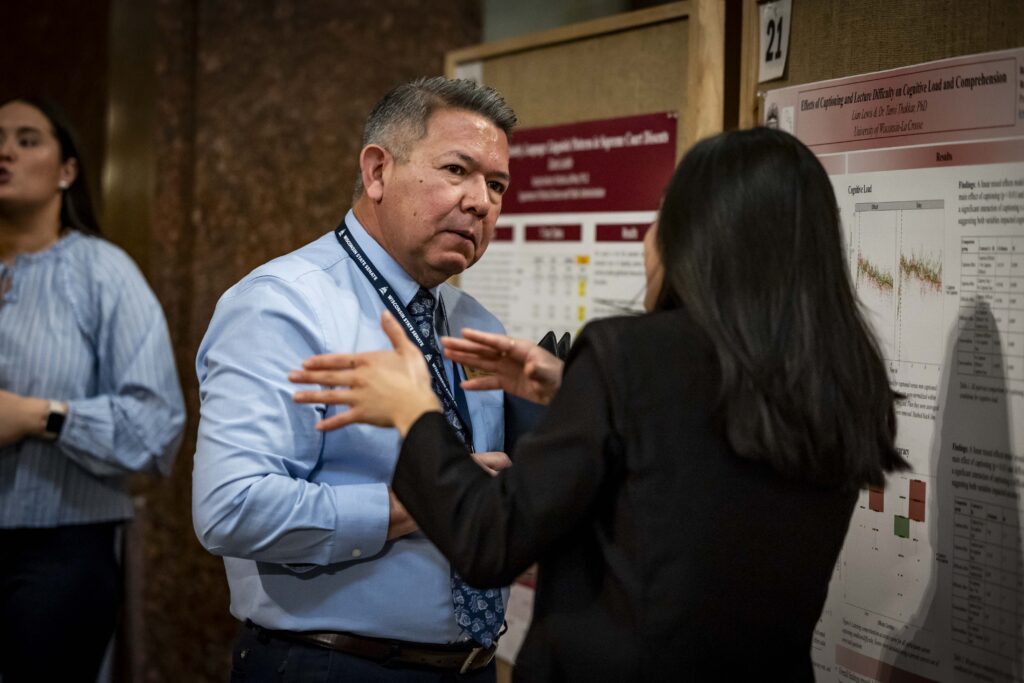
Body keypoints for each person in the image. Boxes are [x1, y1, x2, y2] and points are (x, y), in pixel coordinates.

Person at [289, 127, 911, 681]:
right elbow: (703, 473)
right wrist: (576, 394)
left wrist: (412, 412)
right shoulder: (844, 378)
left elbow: (487, 540)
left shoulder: (631, 353)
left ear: (696, 237)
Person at [192, 77, 517, 681]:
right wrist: (428, 500)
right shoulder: (284, 306)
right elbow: (232, 509)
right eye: (456, 170)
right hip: (333, 664)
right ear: (377, 172)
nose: (480, 202)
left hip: (474, 665)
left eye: (496, 185)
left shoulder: (477, 325)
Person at [0, 98, 186, 682]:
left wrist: (37, 416)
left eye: (26, 140)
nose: (4, 152)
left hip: (59, 552)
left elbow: (155, 425)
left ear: (67, 171)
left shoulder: (103, 273)